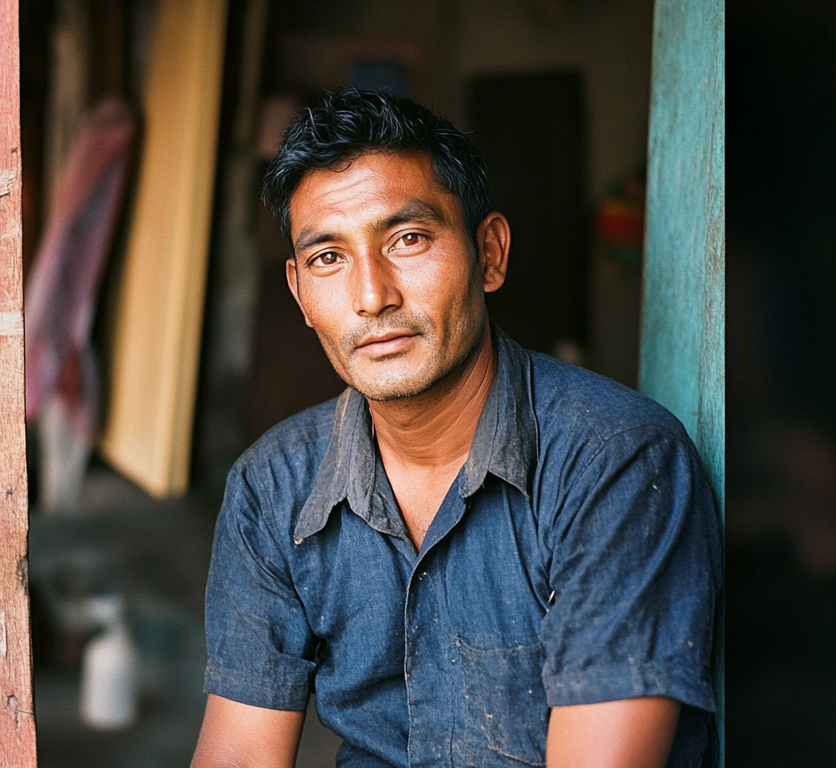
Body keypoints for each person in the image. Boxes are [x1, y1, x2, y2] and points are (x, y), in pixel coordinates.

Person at [190, 89, 720, 768]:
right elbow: (238, 750)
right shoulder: (272, 486)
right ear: (299, 293)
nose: (372, 295)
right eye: (329, 258)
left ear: (490, 253)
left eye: (407, 239)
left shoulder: (614, 460)